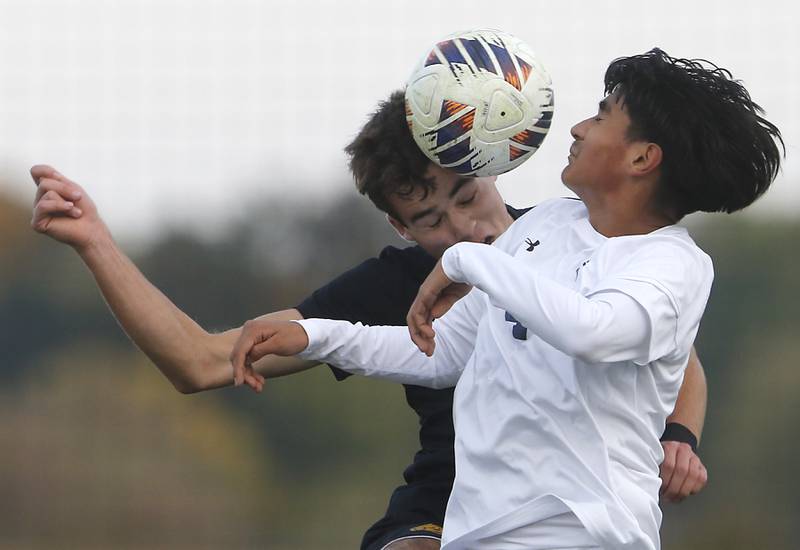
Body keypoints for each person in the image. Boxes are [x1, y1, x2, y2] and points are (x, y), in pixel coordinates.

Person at [32, 89, 707, 550]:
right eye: (429, 222)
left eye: (467, 198)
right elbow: (201, 362)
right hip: (443, 514)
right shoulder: (389, 285)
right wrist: (96, 242)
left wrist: (680, 434)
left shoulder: (564, 237)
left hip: (566, 519)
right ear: (399, 226)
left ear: (489, 167)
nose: (459, 231)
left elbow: (675, 357)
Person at [228, 49, 783, 550]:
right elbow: (442, 353)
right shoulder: (543, 226)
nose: (579, 128)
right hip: (475, 536)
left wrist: (471, 260)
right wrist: (318, 335)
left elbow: (593, 332)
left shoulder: (672, 266)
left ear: (642, 159)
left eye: (601, 116)